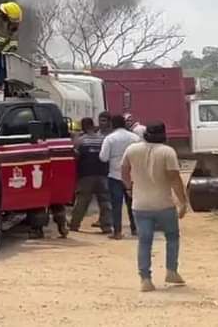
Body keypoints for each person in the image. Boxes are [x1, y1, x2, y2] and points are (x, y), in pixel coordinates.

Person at [121, 121, 189, 292]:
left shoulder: (132, 149)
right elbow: (174, 179)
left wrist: (128, 188)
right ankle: (171, 271)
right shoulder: (167, 152)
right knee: (172, 237)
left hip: (140, 204)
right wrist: (183, 202)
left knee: (144, 241)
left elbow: (123, 170)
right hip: (164, 203)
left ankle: (145, 279)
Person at [68, 117, 112, 233]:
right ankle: (106, 226)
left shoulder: (80, 141)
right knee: (105, 201)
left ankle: (74, 225)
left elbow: (75, 156)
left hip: (86, 175)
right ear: (93, 125)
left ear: (83, 127)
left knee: (82, 201)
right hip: (103, 175)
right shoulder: (103, 139)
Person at [101, 114, 140, 239]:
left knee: (116, 205)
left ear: (112, 124)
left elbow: (103, 157)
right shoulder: (135, 138)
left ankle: (117, 232)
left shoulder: (110, 138)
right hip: (132, 175)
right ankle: (135, 229)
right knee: (133, 203)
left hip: (115, 175)